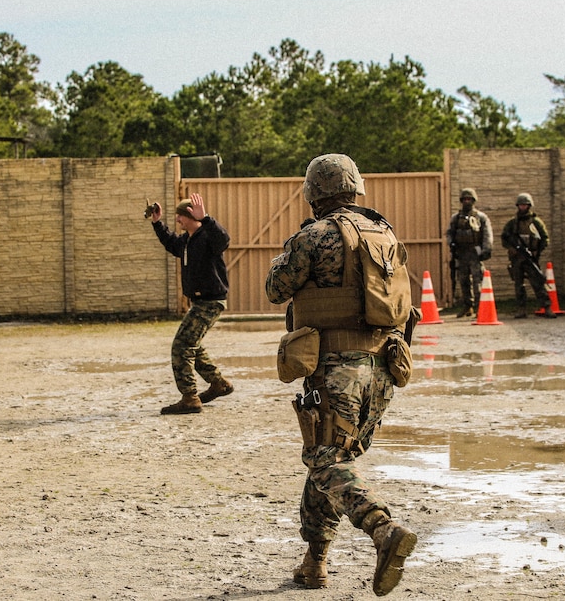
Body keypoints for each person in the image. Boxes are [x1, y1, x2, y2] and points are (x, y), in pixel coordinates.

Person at [266, 154, 417, 596]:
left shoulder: (312, 236)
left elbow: (276, 288)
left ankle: (382, 529)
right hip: (385, 367)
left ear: (314, 192)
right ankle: (315, 562)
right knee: (331, 456)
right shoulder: (384, 233)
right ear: (355, 188)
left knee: (325, 458)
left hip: (337, 366)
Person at [149, 192, 234, 415]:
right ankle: (218, 383)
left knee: (182, 346)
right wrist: (157, 223)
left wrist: (205, 218)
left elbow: (223, 240)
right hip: (200, 302)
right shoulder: (187, 241)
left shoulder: (208, 236)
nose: (177, 220)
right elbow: (171, 244)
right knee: (192, 345)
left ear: (190, 215)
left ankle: (189, 398)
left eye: (180, 216)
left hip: (210, 301)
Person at [500, 193, 556, 318]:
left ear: (529, 206)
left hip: (531, 258)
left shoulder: (536, 222)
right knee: (519, 284)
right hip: (517, 258)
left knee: (538, 282)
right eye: (521, 205)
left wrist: (537, 251)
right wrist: (511, 248)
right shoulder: (512, 223)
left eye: (525, 205)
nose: (523, 207)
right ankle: (521, 309)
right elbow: (504, 238)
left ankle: (546, 307)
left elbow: (544, 238)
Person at [446, 188, 493, 317]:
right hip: (461, 253)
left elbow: (487, 234)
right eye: (465, 199)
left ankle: (480, 307)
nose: (467, 201)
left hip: (475, 252)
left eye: (469, 199)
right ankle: (468, 306)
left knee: (478, 281)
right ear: (462, 201)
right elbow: (449, 233)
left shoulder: (481, 217)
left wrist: (486, 249)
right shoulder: (456, 218)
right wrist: (451, 243)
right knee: (463, 281)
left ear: (473, 200)